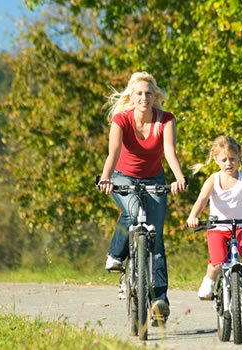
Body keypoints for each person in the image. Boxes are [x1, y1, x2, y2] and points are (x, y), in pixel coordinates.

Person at [97, 71, 187, 319]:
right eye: (139, 93)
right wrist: (105, 178)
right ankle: (116, 254)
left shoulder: (166, 120)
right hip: (122, 176)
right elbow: (113, 152)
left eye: (148, 93)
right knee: (133, 211)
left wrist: (179, 178)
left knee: (155, 239)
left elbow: (170, 151)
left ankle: (160, 301)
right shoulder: (121, 120)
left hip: (154, 179)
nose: (144, 97)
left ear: (155, 95)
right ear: (131, 96)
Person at [187, 136, 242, 314]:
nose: (229, 163)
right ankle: (210, 280)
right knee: (218, 263)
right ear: (216, 159)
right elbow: (202, 200)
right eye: (224, 160)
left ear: (238, 158)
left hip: (239, 228)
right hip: (217, 228)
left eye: (232, 159)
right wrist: (193, 216)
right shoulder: (212, 179)